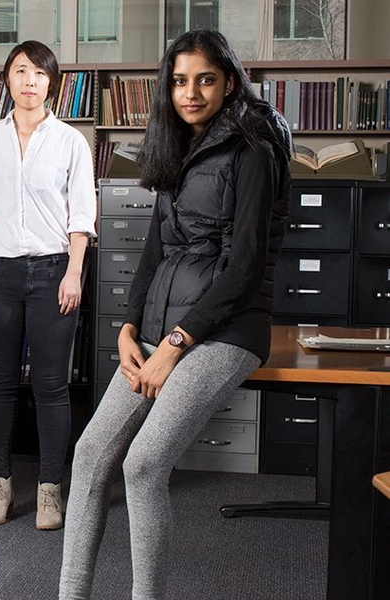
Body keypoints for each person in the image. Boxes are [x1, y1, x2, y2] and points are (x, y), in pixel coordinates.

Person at [58, 29, 292, 599]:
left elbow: (242, 269)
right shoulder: (178, 145)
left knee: (142, 466)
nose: (191, 93)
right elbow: (155, 250)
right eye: (180, 81)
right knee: (90, 454)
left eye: (205, 79)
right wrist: (130, 329)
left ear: (229, 82)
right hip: (165, 327)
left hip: (228, 330)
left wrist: (175, 343)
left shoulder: (253, 150)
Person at [0, 41, 97, 531]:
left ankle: (48, 491)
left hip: (54, 270)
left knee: (50, 386)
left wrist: (74, 271)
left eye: (40, 73)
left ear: (51, 82)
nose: (30, 81)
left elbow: (82, 213)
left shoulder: (70, 142)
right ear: (7, 79)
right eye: (21, 71)